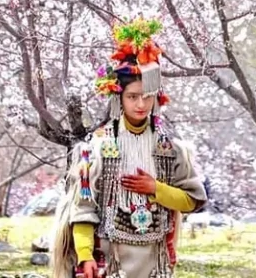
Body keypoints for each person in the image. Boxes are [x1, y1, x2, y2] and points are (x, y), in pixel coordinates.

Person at [51, 19, 207, 278]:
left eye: (147, 96)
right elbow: (83, 207)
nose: (141, 104)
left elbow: (194, 200)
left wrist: (155, 189)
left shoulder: (172, 150)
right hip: (109, 256)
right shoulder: (97, 149)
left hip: (154, 258)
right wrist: (86, 254)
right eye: (132, 96)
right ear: (119, 98)